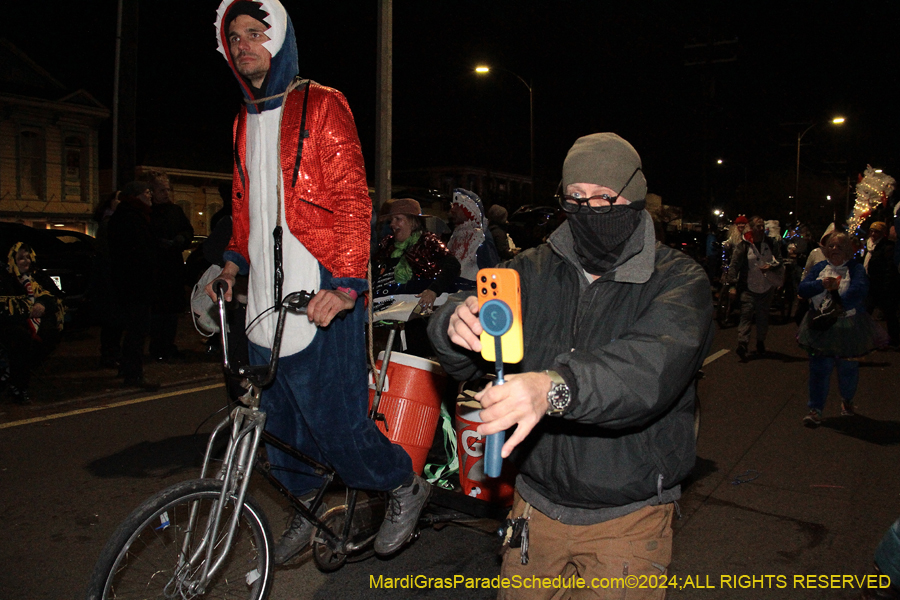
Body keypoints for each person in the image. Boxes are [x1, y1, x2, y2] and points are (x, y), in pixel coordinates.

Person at [428, 132, 714, 598]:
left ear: (634, 197)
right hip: (534, 506)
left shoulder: (678, 281)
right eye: (576, 197)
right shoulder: (532, 270)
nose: (588, 209)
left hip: (628, 517)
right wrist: (452, 325)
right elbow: (468, 341)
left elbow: (648, 370)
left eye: (604, 197)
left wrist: (553, 388)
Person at [207, 0, 429, 564]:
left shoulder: (322, 104)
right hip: (264, 300)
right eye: (235, 37)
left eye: (255, 33)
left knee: (337, 424)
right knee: (279, 423)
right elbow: (244, 207)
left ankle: (403, 484)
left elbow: (353, 199)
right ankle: (305, 506)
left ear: (279, 38)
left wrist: (348, 284)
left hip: (323, 291)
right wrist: (231, 265)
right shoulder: (242, 120)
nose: (243, 45)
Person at [798, 233, 886, 427]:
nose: (834, 249)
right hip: (821, 326)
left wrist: (838, 305)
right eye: (831, 246)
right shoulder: (820, 268)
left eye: (839, 246)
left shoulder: (855, 269)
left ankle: (847, 399)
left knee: (847, 367)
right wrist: (820, 284)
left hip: (847, 325)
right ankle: (815, 409)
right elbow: (803, 288)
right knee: (819, 369)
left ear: (847, 249)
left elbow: (860, 290)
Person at [108, 181, 160, 390]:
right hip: (135, 283)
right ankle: (133, 373)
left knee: (133, 328)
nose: (150, 196)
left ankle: (128, 367)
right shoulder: (132, 217)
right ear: (137, 195)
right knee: (137, 329)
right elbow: (138, 252)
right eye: (147, 192)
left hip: (131, 282)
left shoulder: (130, 215)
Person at [0, 242, 65, 404]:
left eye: (28, 257)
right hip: (10, 323)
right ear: (12, 260)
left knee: (50, 333)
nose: (26, 261)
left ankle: (16, 373)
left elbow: (54, 296)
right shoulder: (5, 278)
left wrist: (42, 303)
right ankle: (18, 386)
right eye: (21, 258)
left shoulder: (36, 277)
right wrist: (27, 309)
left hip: (33, 322)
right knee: (21, 337)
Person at [373, 198, 460, 307]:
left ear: (413, 222)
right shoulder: (387, 245)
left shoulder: (427, 243)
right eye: (391, 220)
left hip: (411, 310)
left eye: (398, 219)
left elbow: (453, 265)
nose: (392, 224)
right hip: (382, 308)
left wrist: (433, 290)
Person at [148, 171, 194, 362]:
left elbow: (188, 230)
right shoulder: (147, 212)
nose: (166, 193)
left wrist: (181, 238)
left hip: (172, 268)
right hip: (155, 269)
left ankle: (168, 345)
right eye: (162, 190)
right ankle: (157, 347)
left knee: (172, 313)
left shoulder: (175, 210)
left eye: (168, 190)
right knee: (158, 313)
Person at [725, 215, 784, 360]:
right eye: (758, 226)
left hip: (766, 287)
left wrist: (771, 266)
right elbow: (734, 265)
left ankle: (760, 342)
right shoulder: (744, 245)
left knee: (762, 316)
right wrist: (732, 285)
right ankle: (742, 343)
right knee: (746, 315)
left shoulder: (771, 243)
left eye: (763, 225)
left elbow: (779, 260)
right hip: (748, 287)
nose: (761, 228)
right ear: (751, 228)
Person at [447, 188, 498, 288]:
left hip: (472, 289)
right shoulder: (457, 234)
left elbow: (491, 268)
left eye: (457, 207)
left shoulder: (480, 236)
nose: (452, 210)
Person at [862, 222, 900, 348]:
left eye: (876, 232)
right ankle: (864, 338)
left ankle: (894, 340)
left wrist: (886, 285)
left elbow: (889, 268)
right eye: (872, 231)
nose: (873, 234)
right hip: (870, 284)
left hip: (881, 285)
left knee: (889, 314)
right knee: (865, 312)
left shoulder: (887, 247)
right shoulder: (869, 245)